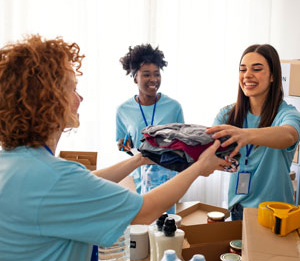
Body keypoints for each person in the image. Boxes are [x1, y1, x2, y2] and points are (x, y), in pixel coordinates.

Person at [0, 35, 232, 261]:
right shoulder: (54, 176)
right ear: (48, 100)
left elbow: (85, 180)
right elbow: (144, 211)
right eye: (72, 89)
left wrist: (139, 159)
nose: (80, 98)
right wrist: (200, 167)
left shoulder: (15, 163)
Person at [206, 44, 300, 220]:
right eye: (243, 70)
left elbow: (289, 135)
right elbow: (209, 148)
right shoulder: (227, 114)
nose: (247, 75)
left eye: (256, 69)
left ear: (273, 76)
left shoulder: (287, 113)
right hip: (238, 210)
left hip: (276, 213)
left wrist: (245, 135)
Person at [116, 44, 184, 213]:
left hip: (168, 182)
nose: (153, 79)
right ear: (134, 77)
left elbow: (183, 143)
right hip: (139, 183)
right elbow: (123, 141)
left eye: (157, 74)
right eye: (146, 74)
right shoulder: (123, 110)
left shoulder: (174, 107)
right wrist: (124, 146)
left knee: (166, 231)